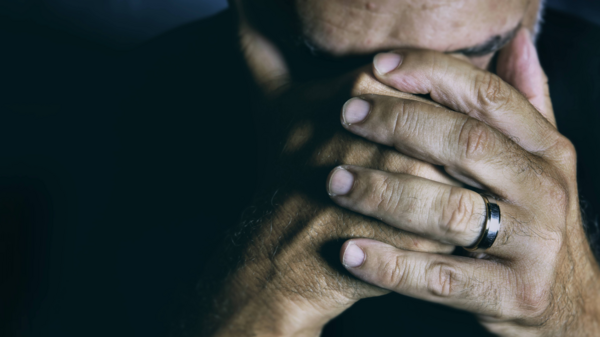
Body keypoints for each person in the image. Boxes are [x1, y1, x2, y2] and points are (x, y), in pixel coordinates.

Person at [3, 0, 600, 336]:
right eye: (327, 61)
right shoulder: (81, 146)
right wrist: (255, 310)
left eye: (469, 56)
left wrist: (576, 316)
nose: (402, 122)